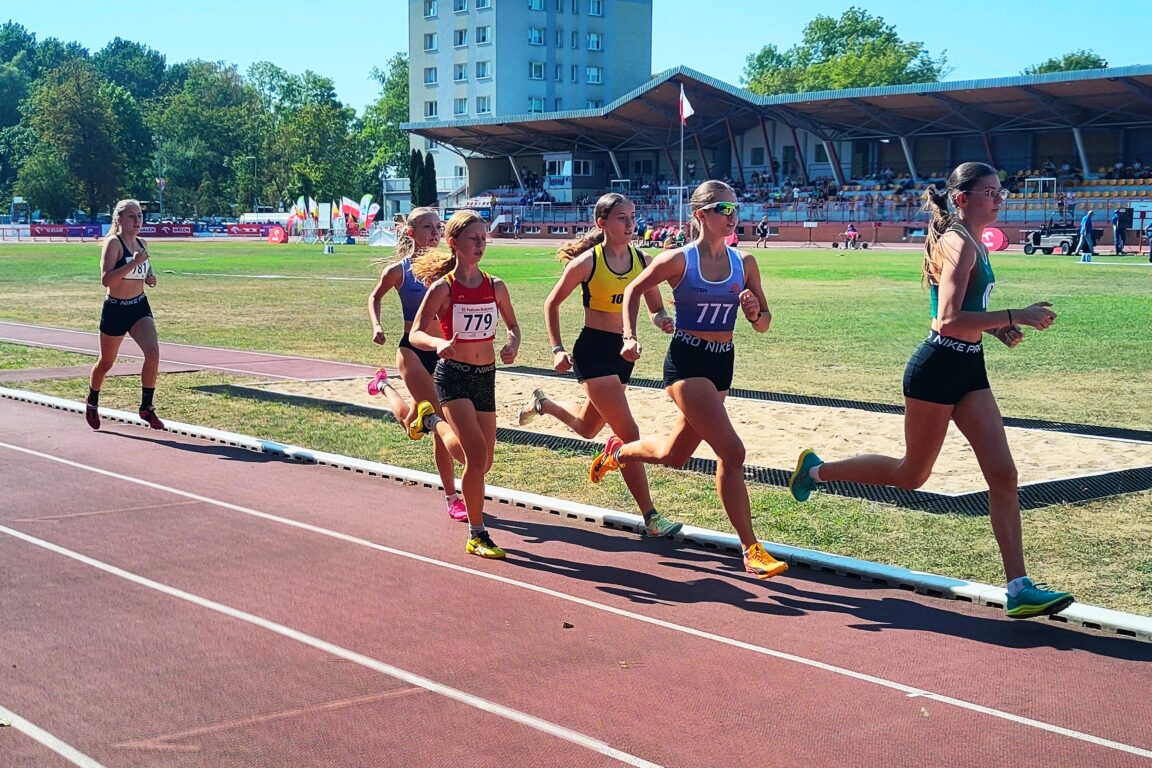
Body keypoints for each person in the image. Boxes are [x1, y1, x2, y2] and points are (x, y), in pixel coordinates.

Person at [788, 161, 1074, 619]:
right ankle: (817, 472)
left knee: (1003, 474)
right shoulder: (958, 241)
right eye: (991, 193)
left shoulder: (973, 242)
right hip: (937, 368)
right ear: (962, 199)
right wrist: (1013, 315)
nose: (1000, 199)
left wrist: (997, 330)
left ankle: (1018, 587)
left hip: (968, 368)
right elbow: (946, 320)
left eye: (1001, 192)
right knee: (911, 474)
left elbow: (968, 311)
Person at [588, 180, 789, 580]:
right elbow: (632, 291)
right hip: (687, 363)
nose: (733, 215)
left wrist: (752, 312)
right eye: (724, 209)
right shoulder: (678, 260)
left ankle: (618, 453)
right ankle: (750, 548)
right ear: (701, 215)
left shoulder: (745, 263)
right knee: (732, 452)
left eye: (735, 207)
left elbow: (764, 324)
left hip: (722, 364)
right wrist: (630, 335)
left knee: (673, 456)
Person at [519, 193, 683, 538]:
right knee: (630, 433)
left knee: (587, 427)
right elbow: (552, 303)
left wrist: (663, 320)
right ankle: (651, 517)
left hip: (623, 354)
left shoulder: (643, 260)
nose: (630, 223)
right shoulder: (587, 263)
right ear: (602, 223)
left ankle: (543, 404)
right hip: (593, 350)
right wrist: (557, 348)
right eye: (622, 218)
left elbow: (654, 307)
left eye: (633, 216)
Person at [408, 210, 521, 559]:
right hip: (453, 375)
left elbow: (514, 328)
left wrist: (512, 344)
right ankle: (477, 533)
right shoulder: (443, 289)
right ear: (454, 243)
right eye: (474, 239)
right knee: (474, 455)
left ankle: (430, 421)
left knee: (483, 462)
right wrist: (438, 344)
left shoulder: (495, 285)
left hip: (485, 377)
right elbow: (416, 332)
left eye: (484, 239)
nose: (480, 245)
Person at [367, 207, 469, 521]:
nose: (435, 233)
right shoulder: (399, 271)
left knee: (414, 423)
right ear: (411, 233)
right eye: (428, 227)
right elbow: (375, 297)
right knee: (440, 420)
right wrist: (377, 326)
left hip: (443, 353)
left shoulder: (449, 268)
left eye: (439, 227)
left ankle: (382, 386)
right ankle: (453, 497)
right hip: (412, 349)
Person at [85, 199, 164, 431]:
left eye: (139, 216)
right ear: (119, 219)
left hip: (138, 307)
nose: (137, 221)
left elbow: (145, 271)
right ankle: (92, 400)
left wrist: (150, 277)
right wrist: (135, 263)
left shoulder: (142, 242)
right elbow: (106, 280)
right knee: (106, 362)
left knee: (153, 352)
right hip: (116, 309)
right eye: (132, 216)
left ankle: (146, 407)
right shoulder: (113, 244)